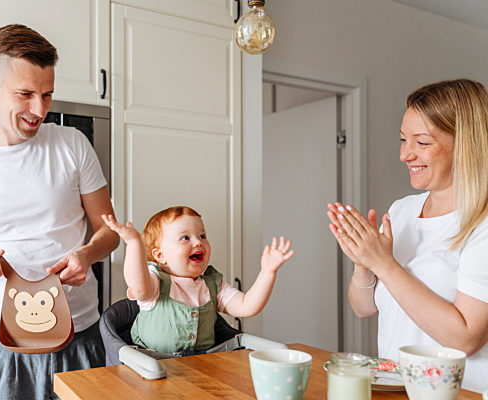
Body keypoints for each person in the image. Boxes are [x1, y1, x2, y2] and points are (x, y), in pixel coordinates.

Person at [0, 24, 119, 399]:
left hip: (80, 338)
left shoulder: (73, 145)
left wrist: (87, 254)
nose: (40, 110)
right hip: (1, 344)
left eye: (47, 95)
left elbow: (108, 231)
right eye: (25, 94)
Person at [326, 79, 488, 392]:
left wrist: (385, 264)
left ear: (467, 143)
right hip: (398, 390)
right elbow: (364, 307)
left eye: (422, 143)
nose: (405, 155)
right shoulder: (401, 211)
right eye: (403, 140)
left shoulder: (481, 223)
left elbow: (465, 338)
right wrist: (363, 262)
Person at [101, 206, 294, 353]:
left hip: (203, 370)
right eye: (185, 238)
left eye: (202, 235)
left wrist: (268, 272)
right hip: (152, 371)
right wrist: (134, 244)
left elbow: (247, 306)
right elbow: (139, 287)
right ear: (160, 255)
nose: (198, 241)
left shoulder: (212, 284)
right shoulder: (156, 282)